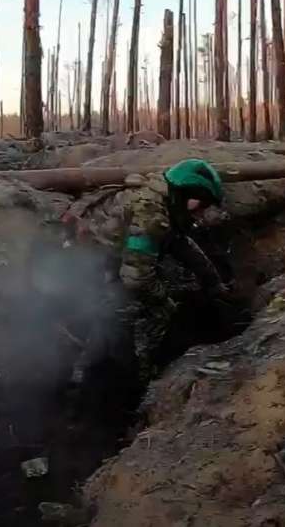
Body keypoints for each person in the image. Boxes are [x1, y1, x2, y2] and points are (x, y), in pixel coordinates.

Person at [67, 158, 229, 382]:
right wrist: (165, 301)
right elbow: (137, 279)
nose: (201, 212)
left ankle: (92, 364)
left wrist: (213, 282)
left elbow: (180, 244)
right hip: (85, 267)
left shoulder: (164, 201)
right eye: (201, 204)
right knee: (138, 314)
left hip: (107, 258)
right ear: (187, 194)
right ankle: (136, 375)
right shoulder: (151, 214)